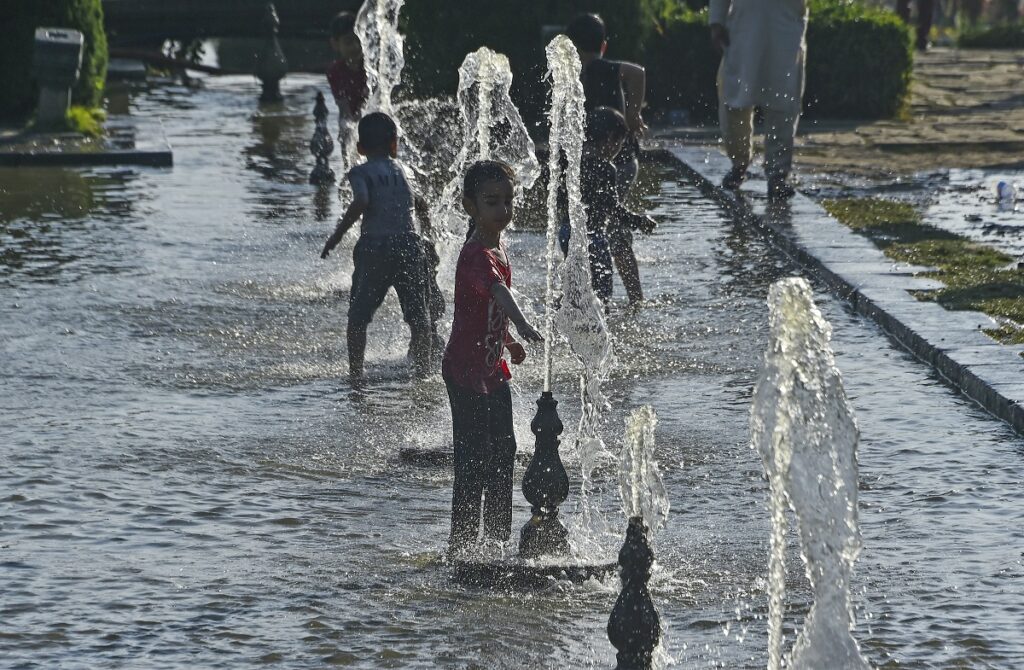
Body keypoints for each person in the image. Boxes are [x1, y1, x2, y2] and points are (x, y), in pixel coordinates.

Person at [442, 160, 544, 554]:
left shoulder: (497, 248)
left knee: (504, 451)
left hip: (493, 369)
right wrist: (523, 326)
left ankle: (498, 542)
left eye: (508, 201)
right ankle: (462, 546)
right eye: (491, 202)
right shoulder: (475, 255)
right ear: (471, 206)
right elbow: (500, 294)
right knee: (472, 461)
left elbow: (487, 308)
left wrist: (507, 341)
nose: (502, 210)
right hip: (464, 373)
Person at [320, 112, 434, 380]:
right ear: (394, 144)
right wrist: (428, 237)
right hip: (409, 245)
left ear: (359, 148)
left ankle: (356, 376)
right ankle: (424, 373)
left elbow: (361, 200)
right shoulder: (403, 170)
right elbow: (422, 204)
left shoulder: (360, 171)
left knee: (358, 318)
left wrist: (336, 237)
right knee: (419, 317)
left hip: (375, 248)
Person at [565, 12, 650, 304]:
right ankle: (628, 298)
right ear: (603, 45)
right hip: (620, 160)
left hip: (612, 162)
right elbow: (638, 72)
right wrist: (634, 113)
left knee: (605, 224)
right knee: (604, 225)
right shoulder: (607, 67)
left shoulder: (576, 74)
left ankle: (608, 297)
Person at [709, 0, 808, 200]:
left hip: (785, 28)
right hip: (742, 29)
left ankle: (777, 176)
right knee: (734, 100)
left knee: (783, 102)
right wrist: (717, 22)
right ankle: (739, 164)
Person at [559, 107, 656, 305]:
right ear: (611, 138)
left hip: (567, 231)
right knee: (601, 291)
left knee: (576, 283)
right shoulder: (606, 168)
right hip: (593, 236)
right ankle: (601, 324)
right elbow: (613, 207)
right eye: (620, 143)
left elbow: (560, 198)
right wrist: (638, 221)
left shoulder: (569, 163)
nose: (618, 150)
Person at [327, 11, 369, 126]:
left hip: (371, 116)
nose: (355, 46)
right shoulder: (335, 72)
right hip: (350, 118)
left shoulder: (370, 66)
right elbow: (343, 107)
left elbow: (371, 99)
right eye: (348, 42)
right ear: (335, 44)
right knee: (345, 126)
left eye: (358, 40)